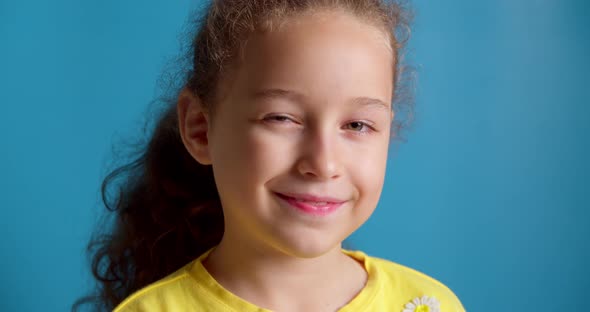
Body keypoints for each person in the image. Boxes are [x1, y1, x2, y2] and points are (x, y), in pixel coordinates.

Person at [76, 0, 465, 311]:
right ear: (199, 128)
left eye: (357, 125)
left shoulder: (433, 306)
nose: (323, 163)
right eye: (281, 118)